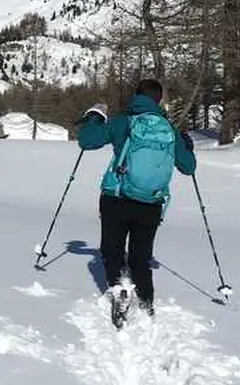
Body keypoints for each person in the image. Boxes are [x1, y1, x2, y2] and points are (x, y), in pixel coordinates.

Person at [76, 79, 196, 320]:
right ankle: (146, 299)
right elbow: (189, 167)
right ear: (159, 100)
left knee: (112, 249)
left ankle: (119, 288)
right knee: (141, 256)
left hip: (117, 198)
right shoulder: (168, 129)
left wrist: (94, 117)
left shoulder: (123, 122)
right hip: (151, 203)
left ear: (136, 96)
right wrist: (187, 146)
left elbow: (87, 141)